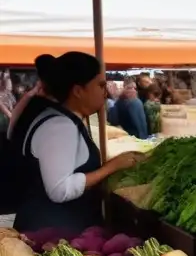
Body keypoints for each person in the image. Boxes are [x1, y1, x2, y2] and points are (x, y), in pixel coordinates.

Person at [14, 53, 143, 233]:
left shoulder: (61, 119)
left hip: (53, 229)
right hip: (50, 235)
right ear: (78, 91)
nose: (104, 93)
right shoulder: (59, 126)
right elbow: (60, 190)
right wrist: (111, 167)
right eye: (100, 85)